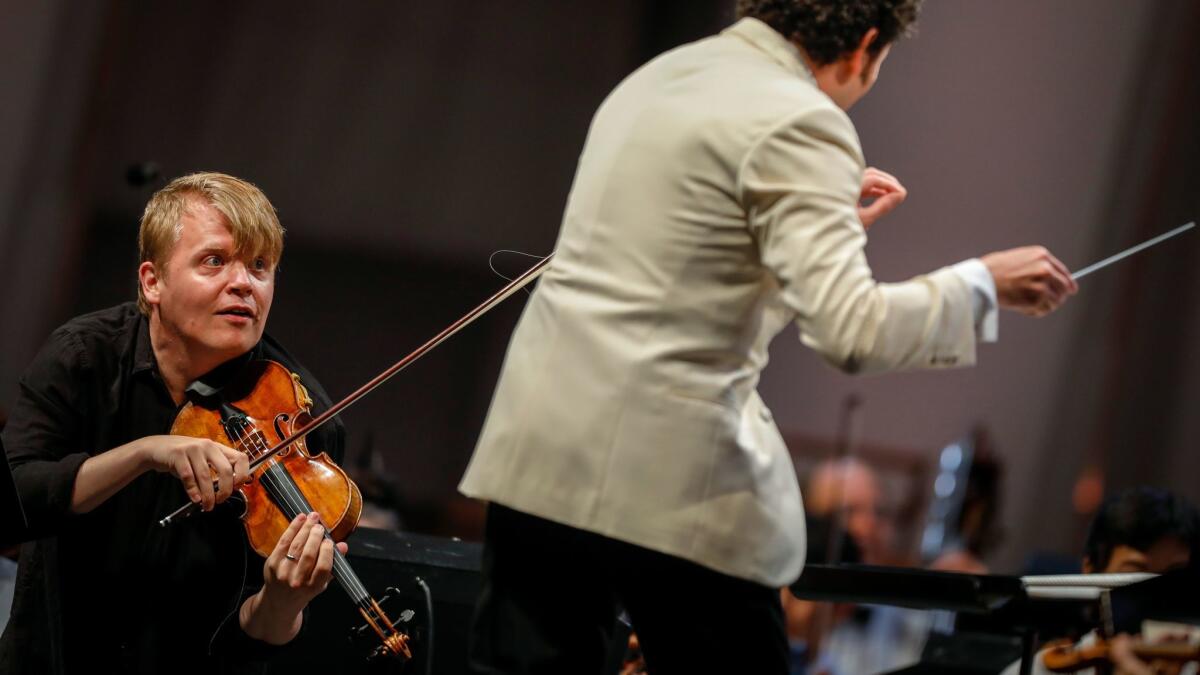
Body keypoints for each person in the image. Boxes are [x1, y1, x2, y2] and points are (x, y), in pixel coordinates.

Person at [459, 1, 1077, 673]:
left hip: (541, 451)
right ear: (865, 46)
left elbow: (680, 289)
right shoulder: (806, 118)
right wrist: (980, 283)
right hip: (667, 480)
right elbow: (853, 332)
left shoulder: (655, 79)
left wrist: (802, 249)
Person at [0, 172, 348, 674]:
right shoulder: (85, 358)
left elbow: (248, 643)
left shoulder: (301, 419)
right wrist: (146, 452)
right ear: (152, 281)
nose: (243, 283)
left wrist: (283, 602)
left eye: (260, 266)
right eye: (214, 261)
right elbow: (17, 495)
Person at [1000, 487, 1200, 675]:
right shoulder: (1044, 668)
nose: (1157, 596)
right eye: (1137, 573)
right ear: (1091, 569)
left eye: (1175, 577)